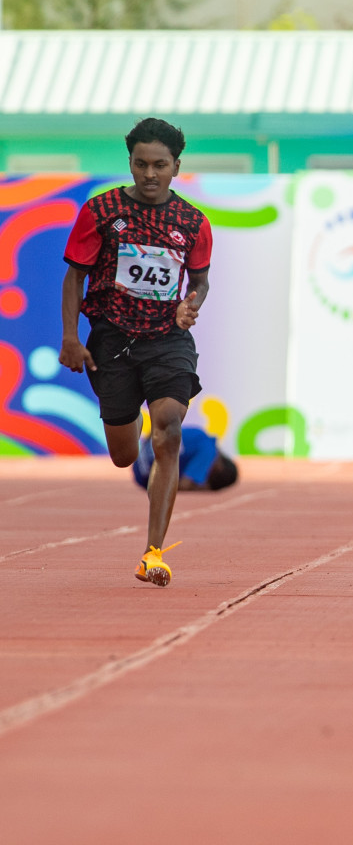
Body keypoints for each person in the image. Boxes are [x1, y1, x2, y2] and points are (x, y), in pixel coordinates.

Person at [59, 117, 212, 586]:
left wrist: (192, 303)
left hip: (167, 341)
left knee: (168, 429)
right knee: (125, 456)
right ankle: (135, 416)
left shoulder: (193, 222)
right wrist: (71, 337)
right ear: (130, 163)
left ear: (176, 166)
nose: (149, 174)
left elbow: (201, 281)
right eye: (141, 164)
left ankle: (153, 552)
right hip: (112, 341)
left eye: (159, 165)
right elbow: (75, 276)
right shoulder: (100, 211)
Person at [131, 424, 239, 493]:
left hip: (141, 454)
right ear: (219, 468)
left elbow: (164, 424)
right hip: (145, 476)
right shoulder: (208, 454)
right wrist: (202, 489)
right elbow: (184, 485)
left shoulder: (200, 433)